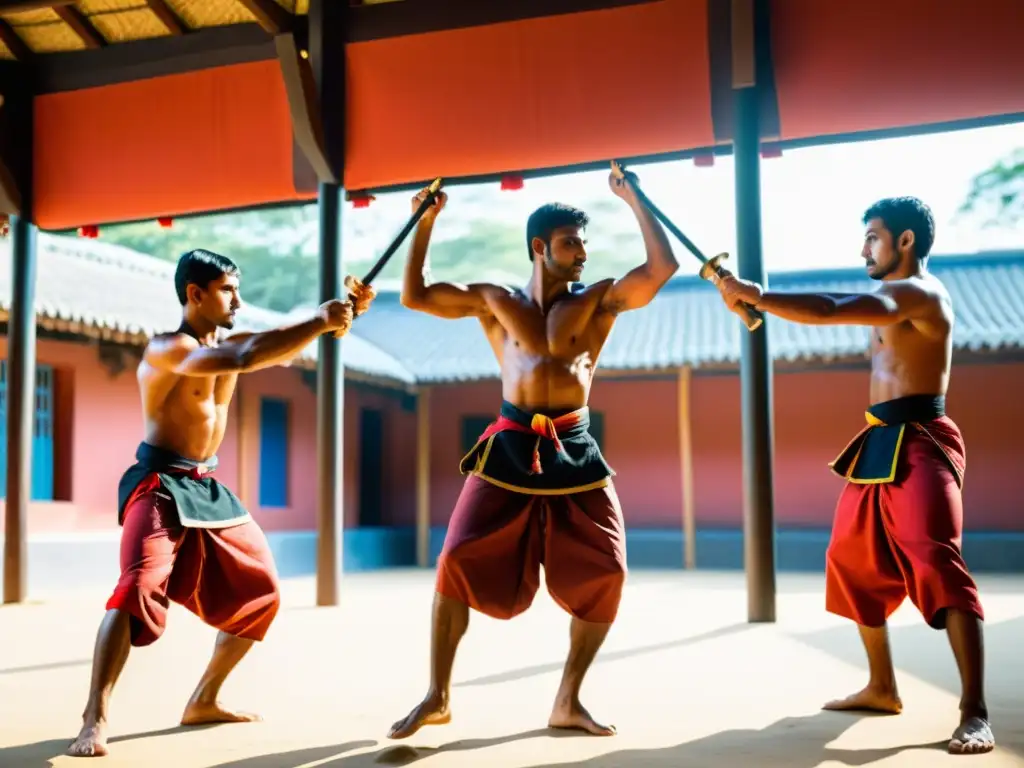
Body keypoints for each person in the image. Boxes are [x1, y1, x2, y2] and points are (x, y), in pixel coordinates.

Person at [388, 171, 679, 740]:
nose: (583, 254)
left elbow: (659, 270)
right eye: (572, 243)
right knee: (454, 560)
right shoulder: (495, 301)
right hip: (509, 445)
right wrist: (426, 221)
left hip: (575, 447)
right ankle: (437, 694)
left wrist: (635, 198)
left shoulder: (598, 301)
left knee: (610, 571)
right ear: (540, 247)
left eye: (584, 244)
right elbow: (415, 295)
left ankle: (568, 699)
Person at [67, 249, 375, 758]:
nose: (239, 299)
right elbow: (244, 356)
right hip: (160, 481)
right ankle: (93, 719)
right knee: (136, 587)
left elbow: (269, 350)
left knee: (263, 593)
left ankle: (204, 698)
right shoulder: (168, 348)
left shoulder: (231, 344)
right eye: (228, 289)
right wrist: (319, 319)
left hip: (206, 485)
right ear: (195, 293)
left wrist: (339, 318)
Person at [715, 197, 994, 756]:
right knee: (851, 558)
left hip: (922, 437)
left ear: (906, 241)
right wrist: (755, 299)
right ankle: (882, 686)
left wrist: (758, 297)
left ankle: (975, 711)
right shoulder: (894, 295)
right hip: (879, 438)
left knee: (938, 559)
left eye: (873, 237)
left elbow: (828, 307)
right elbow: (832, 306)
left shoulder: (917, 292)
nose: (863, 247)